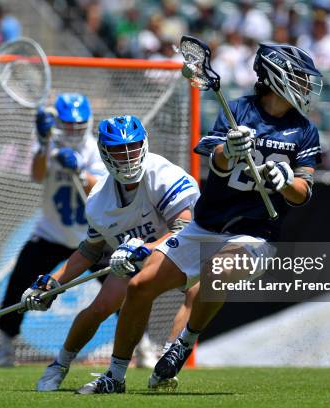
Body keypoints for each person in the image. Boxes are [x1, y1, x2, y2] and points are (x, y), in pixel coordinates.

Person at [75, 42, 323, 394]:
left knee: (216, 270)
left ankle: (184, 342)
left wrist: (285, 183)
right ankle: (114, 377)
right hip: (206, 225)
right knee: (139, 286)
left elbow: (304, 191)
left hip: (256, 234)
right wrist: (230, 150)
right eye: (299, 78)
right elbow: (216, 162)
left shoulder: (304, 130)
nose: (304, 86)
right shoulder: (237, 111)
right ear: (276, 76)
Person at [21, 115, 200, 392]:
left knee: (200, 288)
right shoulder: (98, 200)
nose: (127, 156)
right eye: (118, 149)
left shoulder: (163, 174)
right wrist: (51, 282)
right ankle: (60, 365)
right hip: (139, 260)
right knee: (101, 307)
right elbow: (89, 251)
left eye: (133, 147)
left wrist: (144, 247)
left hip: (182, 252)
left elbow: (183, 228)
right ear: (105, 152)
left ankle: (168, 361)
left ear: (144, 145)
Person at [0, 93, 106, 367]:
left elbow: (101, 188)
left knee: (122, 288)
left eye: (78, 125)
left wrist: (79, 172)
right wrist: (42, 144)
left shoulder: (96, 150)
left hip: (92, 237)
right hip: (51, 234)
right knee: (17, 287)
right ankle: (5, 349)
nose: (73, 130)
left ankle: (141, 345)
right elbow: (37, 175)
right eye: (68, 124)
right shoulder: (50, 144)